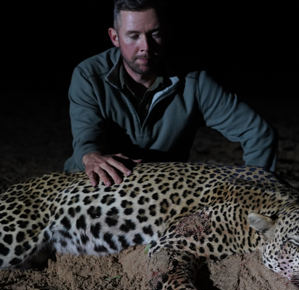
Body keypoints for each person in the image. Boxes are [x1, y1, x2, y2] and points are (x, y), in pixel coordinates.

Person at [64, 0, 278, 187]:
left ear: (166, 33)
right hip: (98, 185)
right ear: (115, 37)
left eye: (154, 34)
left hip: (163, 192)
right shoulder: (88, 75)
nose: (145, 46)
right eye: (133, 36)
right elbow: (87, 137)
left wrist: (254, 190)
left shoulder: (195, 82)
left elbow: (258, 133)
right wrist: (90, 156)